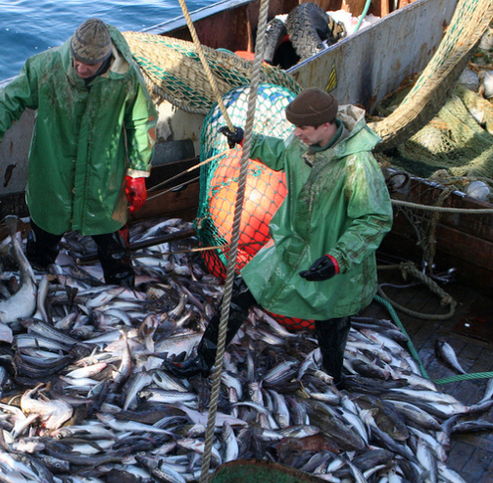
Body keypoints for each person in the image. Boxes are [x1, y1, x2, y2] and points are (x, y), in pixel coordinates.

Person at [168, 87, 393, 388]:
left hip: (336, 258)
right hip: (290, 246)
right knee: (238, 292)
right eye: (295, 128)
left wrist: (336, 260)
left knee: (332, 316)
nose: (296, 133)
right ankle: (203, 362)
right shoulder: (303, 142)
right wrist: (248, 141)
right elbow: (279, 152)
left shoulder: (358, 165)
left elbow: (374, 220)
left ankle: (334, 376)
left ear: (326, 125)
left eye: (303, 128)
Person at [0, 18, 158, 288]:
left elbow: (142, 123)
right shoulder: (45, 66)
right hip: (51, 173)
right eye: (76, 60)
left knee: (114, 246)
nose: (81, 68)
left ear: (107, 59)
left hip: (104, 180)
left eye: (90, 65)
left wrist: (137, 173)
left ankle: (123, 287)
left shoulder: (127, 77)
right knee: (43, 237)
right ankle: (35, 274)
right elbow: (7, 102)